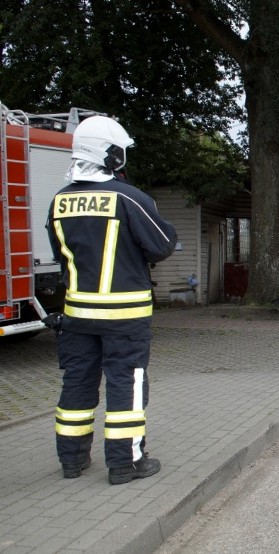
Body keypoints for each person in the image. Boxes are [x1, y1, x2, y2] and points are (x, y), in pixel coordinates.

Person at [46, 116, 178, 485]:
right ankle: (125, 464)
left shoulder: (59, 201)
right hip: (124, 316)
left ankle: (72, 461)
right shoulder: (128, 197)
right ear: (111, 155)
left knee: (78, 383)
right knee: (126, 384)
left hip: (76, 315)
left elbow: (60, 253)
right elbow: (163, 245)